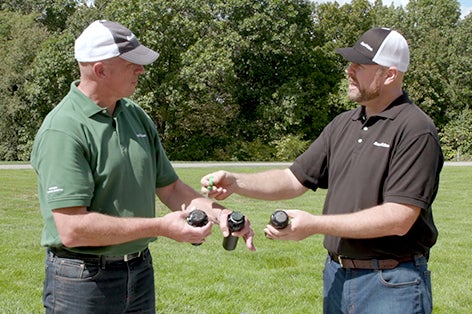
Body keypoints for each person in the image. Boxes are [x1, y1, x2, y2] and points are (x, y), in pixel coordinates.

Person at [201, 28, 443, 314]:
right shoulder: (344, 123)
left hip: (391, 283)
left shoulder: (415, 129)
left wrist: (315, 224)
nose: (348, 71)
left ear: (389, 74)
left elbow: (399, 218)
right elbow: (293, 179)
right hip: (337, 276)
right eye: (350, 62)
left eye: (360, 66)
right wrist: (237, 181)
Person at [31, 20, 255, 314]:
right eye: (132, 63)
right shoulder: (63, 130)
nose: (141, 70)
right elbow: (73, 229)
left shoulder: (134, 115)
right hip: (82, 281)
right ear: (101, 70)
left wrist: (219, 212)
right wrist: (161, 227)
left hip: (138, 270)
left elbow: (171, 187)